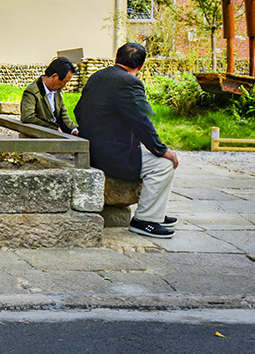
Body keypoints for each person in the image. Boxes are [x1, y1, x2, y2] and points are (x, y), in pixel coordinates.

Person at [73, 41, 179, 238]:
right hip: (111, 157)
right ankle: (145, 220)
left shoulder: (98, 76)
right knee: (163, 164)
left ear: (116, 58)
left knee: (153, 159)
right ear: (141, 65)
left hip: (91, 149)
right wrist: (161, 149)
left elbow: (78, 110)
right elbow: (141, 120)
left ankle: (156, 213)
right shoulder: (130, 82)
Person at [20, 58, 78, 133]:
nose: (64, 86)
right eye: (64, 82)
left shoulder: (57, 91)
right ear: (54, 77)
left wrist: (74, 130)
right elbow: (28, 117)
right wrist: (53, 128)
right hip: (41, 137)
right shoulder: (32, 92)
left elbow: (63, 115)